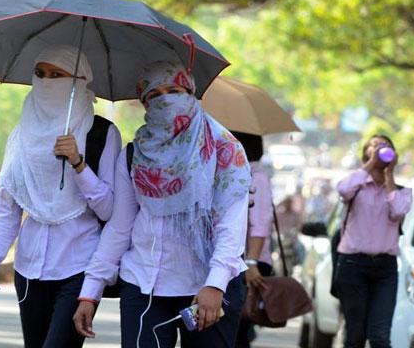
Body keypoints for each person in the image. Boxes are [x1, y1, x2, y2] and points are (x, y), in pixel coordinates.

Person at [73, 61, 251, 348]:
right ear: (144, 104)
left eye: (175, 90)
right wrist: (90, 292)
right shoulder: (134, 155)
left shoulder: (223, 150)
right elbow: (120, 227)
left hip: (207, 287)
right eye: (155, 95)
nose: (166, 99)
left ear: (191, 93)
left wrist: (215, 283)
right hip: (143, 283)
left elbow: (231, 226)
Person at [0, 45, 122, 348]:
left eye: (57, 75)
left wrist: (79, 164)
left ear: (78, 81)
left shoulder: (103, 134)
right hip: (29, 269)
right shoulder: (22, 134)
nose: (47, 81)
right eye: (40, 73)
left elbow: (109, 210)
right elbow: (6, 209)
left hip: (80, 268)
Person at [333, 135, 412, 348]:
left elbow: (398, 212)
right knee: (355, 336)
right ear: (366, 153)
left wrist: (389, 176)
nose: (380, 150)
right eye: (375, 146)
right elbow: (342, 190)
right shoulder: (356, 185)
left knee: (379, 336)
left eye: (385, 146)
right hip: (352, 265)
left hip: (385, 269)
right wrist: (370, 165)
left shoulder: (401, 191)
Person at [233, 133, 273, 348]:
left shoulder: (256, 178)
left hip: (250, 264)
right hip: (238, 262)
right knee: (233, 330)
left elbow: (260, 223)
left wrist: (251, 263)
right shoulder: (234, 172)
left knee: (237, 331)